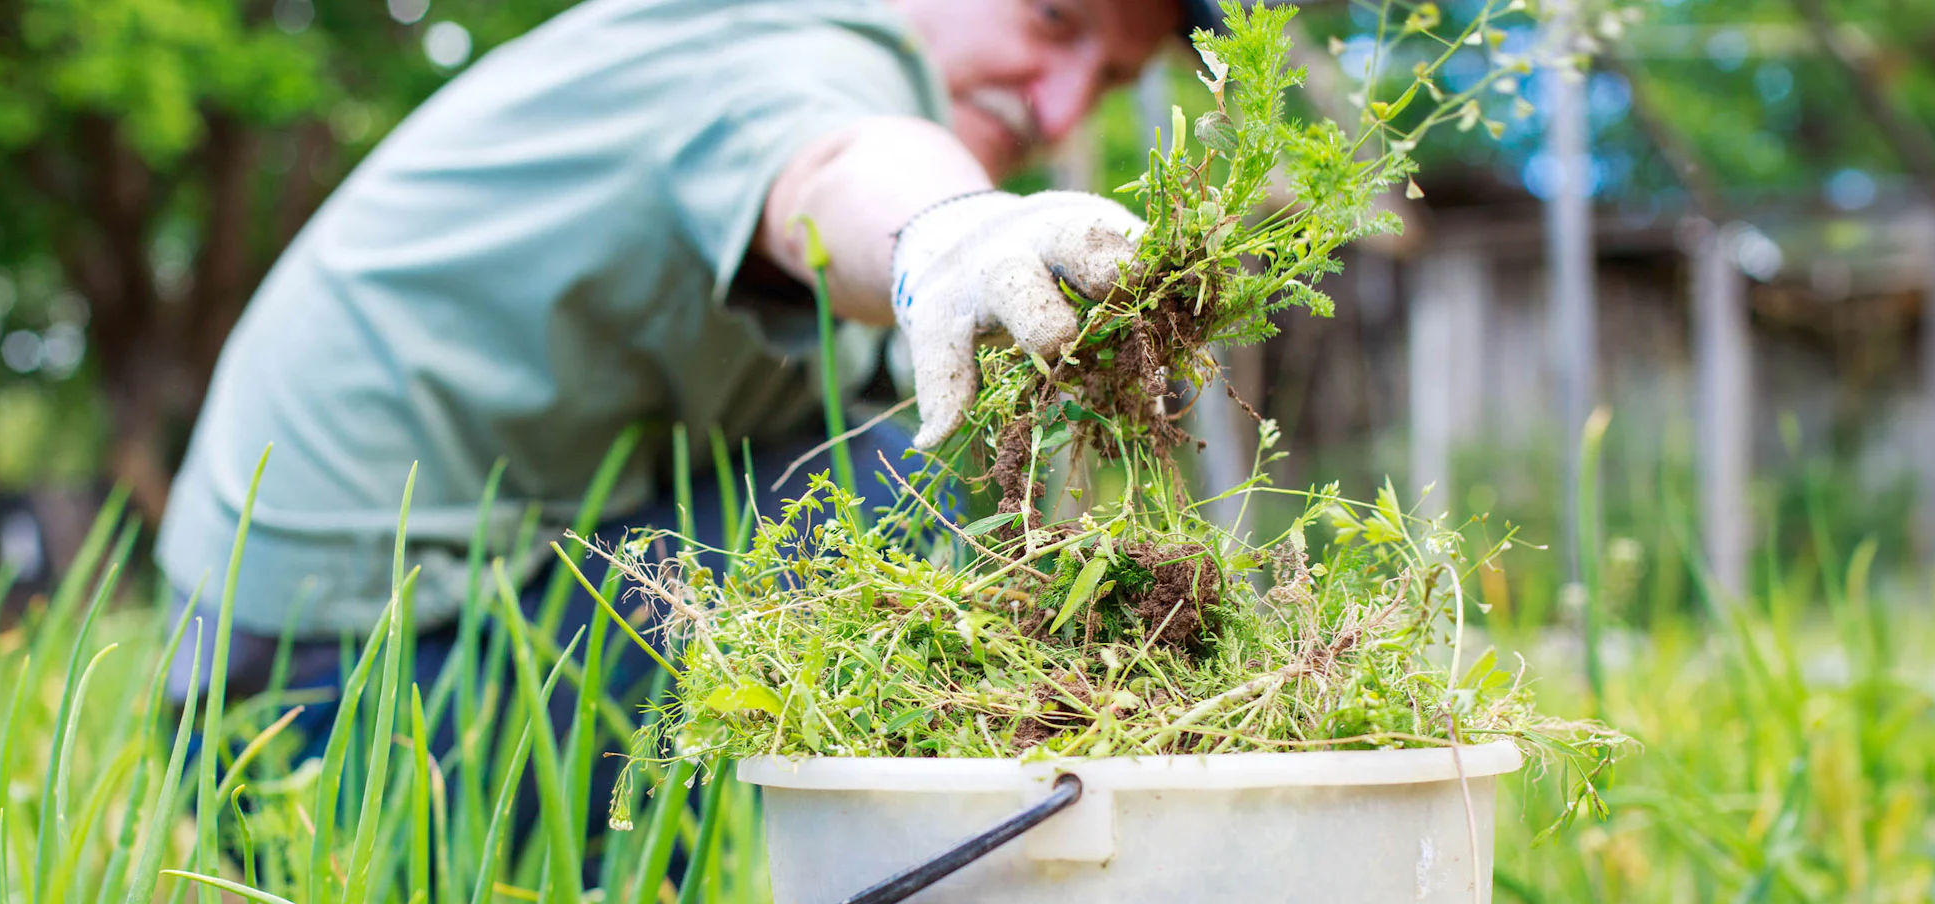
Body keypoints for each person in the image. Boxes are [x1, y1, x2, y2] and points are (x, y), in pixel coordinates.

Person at [157, 0, 1220, 743]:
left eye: (1114, 77)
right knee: (889, 484)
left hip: (360, 665)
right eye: (1052, 19)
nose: (1062, 104)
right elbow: (835, 159)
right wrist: (950, 231)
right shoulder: (788, 38)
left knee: (892, 461)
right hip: (318, 707)